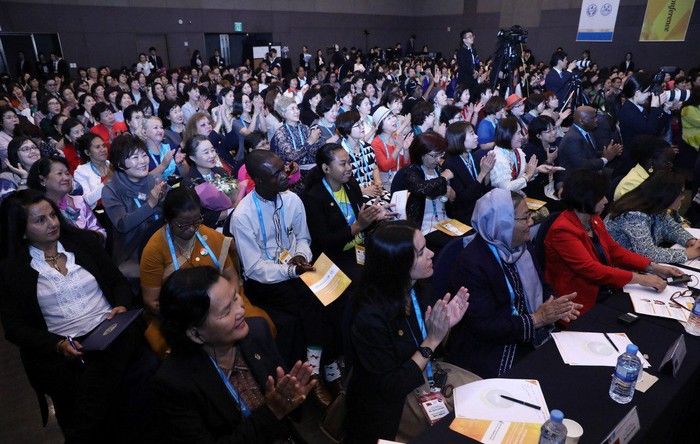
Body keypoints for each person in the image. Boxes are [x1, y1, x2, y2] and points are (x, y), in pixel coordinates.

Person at [0, 190, 139, 442]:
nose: (52, 223)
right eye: (40, 220)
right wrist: (57, 344)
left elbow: (117, 282)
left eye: (53, 215)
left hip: (109, 329)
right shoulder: (12, 271)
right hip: (66, 347)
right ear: (22, 231)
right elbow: (15, 328)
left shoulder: (83, 243)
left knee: (122, 371)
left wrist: (121, 305)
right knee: (90, 389)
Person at [154, 266, 315, 442]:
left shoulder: (257, 330)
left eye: (235, 297)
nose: (240, 310)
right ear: (196, 334)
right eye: (226, 312)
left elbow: (285, 406)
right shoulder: (176, 383)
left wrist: (291, 397)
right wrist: (272, 411)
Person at [230, 150, 339, 407]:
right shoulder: (243, 215)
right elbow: (254, 268)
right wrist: (291, 271)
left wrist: (300, 256)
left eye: (284, 169)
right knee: (314, 300)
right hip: (265, 282)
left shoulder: (292, 200)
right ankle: (321, 369)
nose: (285, 176)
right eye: (276, 174)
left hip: (295, 270)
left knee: (335, 290)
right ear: (258, 180)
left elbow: (303, 238)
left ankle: (324, 364)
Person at [345, 221, 470, 443]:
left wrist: (445, 326)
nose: (432, 254)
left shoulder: (416, 288)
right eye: (421, 253)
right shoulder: (369, 316)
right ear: (398, 265)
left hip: (421, 380)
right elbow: (392, 387)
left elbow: (433, 349)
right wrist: (432, 340)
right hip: (389, 407)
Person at [445, 189, 581, 378]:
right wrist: (536, 319)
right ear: (503, 223)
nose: (531, 222)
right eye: (525, 218)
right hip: (490, 348)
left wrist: (557, 305)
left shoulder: (522, 247)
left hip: (526, 332)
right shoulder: (471, 264)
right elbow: (483, 326)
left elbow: (543, 286)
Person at [545, 169, 682, 317]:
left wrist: (653, 267)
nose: (606, 200)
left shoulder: (593, 219)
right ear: (587, 198)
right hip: (578, 300)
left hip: (604, 289)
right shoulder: (563, 230)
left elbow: (614, 250)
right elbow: (591, 269)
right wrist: (641, 279)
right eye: (600, 197)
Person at [303, 143, 394, 283]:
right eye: (343, 164)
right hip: (336, 257)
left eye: (349, 162)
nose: (349, 167)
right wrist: (358, 226)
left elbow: (361, 221)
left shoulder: (351, 184)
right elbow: (324, 241)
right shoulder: (314, 197)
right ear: (326, 168)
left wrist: (374, 217)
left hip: (360, 247)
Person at [102, 134, 166, 278]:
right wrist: (151, 204)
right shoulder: (111, 191)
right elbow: (123, 224)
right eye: (135, 157)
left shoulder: (156, 180)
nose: (142, 161)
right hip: (133, 254)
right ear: (119, 164)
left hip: (165, 243)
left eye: (144, 155)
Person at [605, 171, 700, 264]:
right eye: (680, 193)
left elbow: (671, 229)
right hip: (617, 265)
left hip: (637, 263)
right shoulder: (632, 215)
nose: (683, 198)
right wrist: (686, 254)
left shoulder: (656, 207)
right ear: (666, 195)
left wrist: (690, 240)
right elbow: (647, 253)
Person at [27, 156, 105, 237]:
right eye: (59, 173)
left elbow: (98, 229)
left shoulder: (79, 201)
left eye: (67, 173)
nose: (66, 178)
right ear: (42, 180)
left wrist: (96, 237)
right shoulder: (38, 208)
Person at [616, 73, 672, 176]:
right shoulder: (627, 111)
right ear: (638, 93)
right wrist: (654, 107)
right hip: (633, 163)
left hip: (643, 157)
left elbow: (657, 129)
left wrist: (666, 110)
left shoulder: (639, 108)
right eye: (648, 91)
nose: (650, 94)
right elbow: (650, 131)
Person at [443, 121, 495, 224]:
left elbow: (485, 190)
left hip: (481, 207)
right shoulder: (450, 164)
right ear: (459, 138)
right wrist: (482, 174)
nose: (476, 136)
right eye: (471, 133)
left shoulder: (475, 157)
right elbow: (463, 198)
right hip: (464, 214)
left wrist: (487, 172)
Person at [490, 117, 556, 192]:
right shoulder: (497, 157)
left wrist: (537, 170)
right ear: (508, 135)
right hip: (503, 197)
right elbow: (506, 188)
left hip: (518, 194)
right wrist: (527, 176)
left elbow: (522, 175)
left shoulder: (517, 151)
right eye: (518, 133)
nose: (522, 136)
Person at [558, 105, 622, 177]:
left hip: (588, 174)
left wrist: (608, 152)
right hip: (576, 179)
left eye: (596, 116)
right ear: (582, 121)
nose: (596, 120)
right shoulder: (572, 138)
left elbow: (591, 153)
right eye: (592, 118)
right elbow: (583, 165)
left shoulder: (588, 130)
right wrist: (606, 159)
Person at [336, 111, 384, 201]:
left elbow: (374, 167)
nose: (362, 127)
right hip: (354, 194)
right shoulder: (341, 154)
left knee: (394, 203)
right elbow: (342, 181)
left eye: (361, 123)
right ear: (347, 130)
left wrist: (378, 182)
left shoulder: (367, 147)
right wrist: (364, 190)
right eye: (358, 125)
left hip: (372, 189)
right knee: (381, 207)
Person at [270, 95, 322, 174]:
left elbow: (313, 153)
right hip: (291, 173)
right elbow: (292, 157)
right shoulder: (281, 133)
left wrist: (317, 142)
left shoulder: (305, 128)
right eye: (292, 109)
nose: (297, 111)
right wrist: (310, 142)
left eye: (297, 108)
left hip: (311, 170)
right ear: (283, 114)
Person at [614, 135, 675, 200]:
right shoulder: (630, 185)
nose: (671, 165)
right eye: (667, 162)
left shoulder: (656, 179)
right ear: (651, 163)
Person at [371, 106, 413, 190]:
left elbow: (406, 164)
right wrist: (397, 149)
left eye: (393, 116)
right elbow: (385, 167)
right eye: (389, 118)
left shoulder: (396, 138)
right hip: (386, 185)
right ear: (381, 126)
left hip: (400, 180)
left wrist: (406, 149)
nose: (394, 120)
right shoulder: (375, 143)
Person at [522, 115, 559, 201]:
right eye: (549, 131)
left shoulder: (553, 144)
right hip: (537, 193)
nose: (554, 132)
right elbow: (531, 177)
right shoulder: (530, 151)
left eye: (554, 128)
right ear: (538, 136)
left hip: (553, 188)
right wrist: (549, 161)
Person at [73, 133, 110, 210]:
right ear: (87, 152)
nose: (103, 149)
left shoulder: (111, 164)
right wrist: (106, 182)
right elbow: (87, 200)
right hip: (101, 211)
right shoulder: (81, 171)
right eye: (97, 147)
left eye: (104, 146)